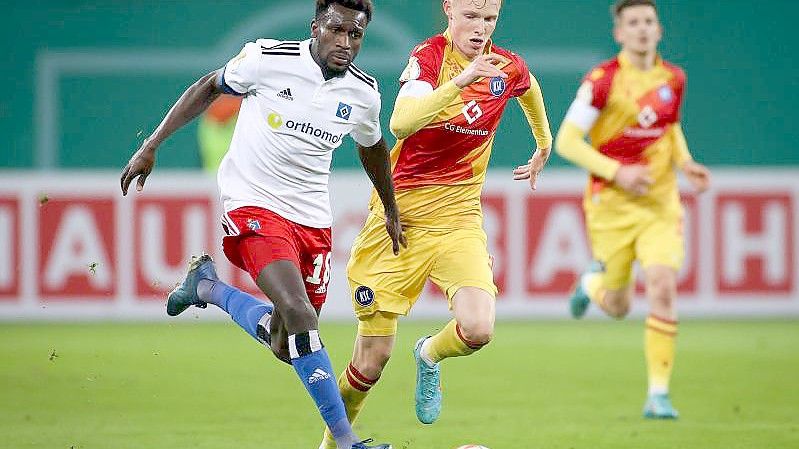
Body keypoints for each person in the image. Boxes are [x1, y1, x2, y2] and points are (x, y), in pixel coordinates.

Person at [120, 1, 403, 448]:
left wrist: (389, 208)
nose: (345, 43)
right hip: (253, 202)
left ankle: (207, 288)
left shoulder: (363, 93)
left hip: (312, 220)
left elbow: (372, 147)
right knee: (300, 313)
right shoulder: (267, 60)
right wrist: (152, 145)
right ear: (316, 27)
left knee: (287, 342)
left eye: (356, 35)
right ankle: (348, 442)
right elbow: (207, 87)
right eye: (336, 30)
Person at [318, 0, 552, 445]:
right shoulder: (428, 58)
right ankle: (334, 445)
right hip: (398, 223)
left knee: (479, 328)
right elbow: (401, 123)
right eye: (471, 16)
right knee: (371, 360)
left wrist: (544, 142)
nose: (480, 28)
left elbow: (528, 87)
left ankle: (428, 352)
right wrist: (460, 83)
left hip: (459, 220)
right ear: (449, 10)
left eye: (489, 19)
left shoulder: (506, 65)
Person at [555, 0, 711, 419]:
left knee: (662, 284)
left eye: (648, 22)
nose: (642, 29)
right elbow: (567, 142)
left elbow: (671, 127)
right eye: (633, 23)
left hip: (660, 203)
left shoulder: (673, 78)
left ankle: (658, 394)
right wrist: (617, 172)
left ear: (659, 30)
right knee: (620, 307)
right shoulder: (603, 81)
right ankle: (590, 287)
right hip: (612, 207)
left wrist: (685, 162)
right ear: (619, 33)